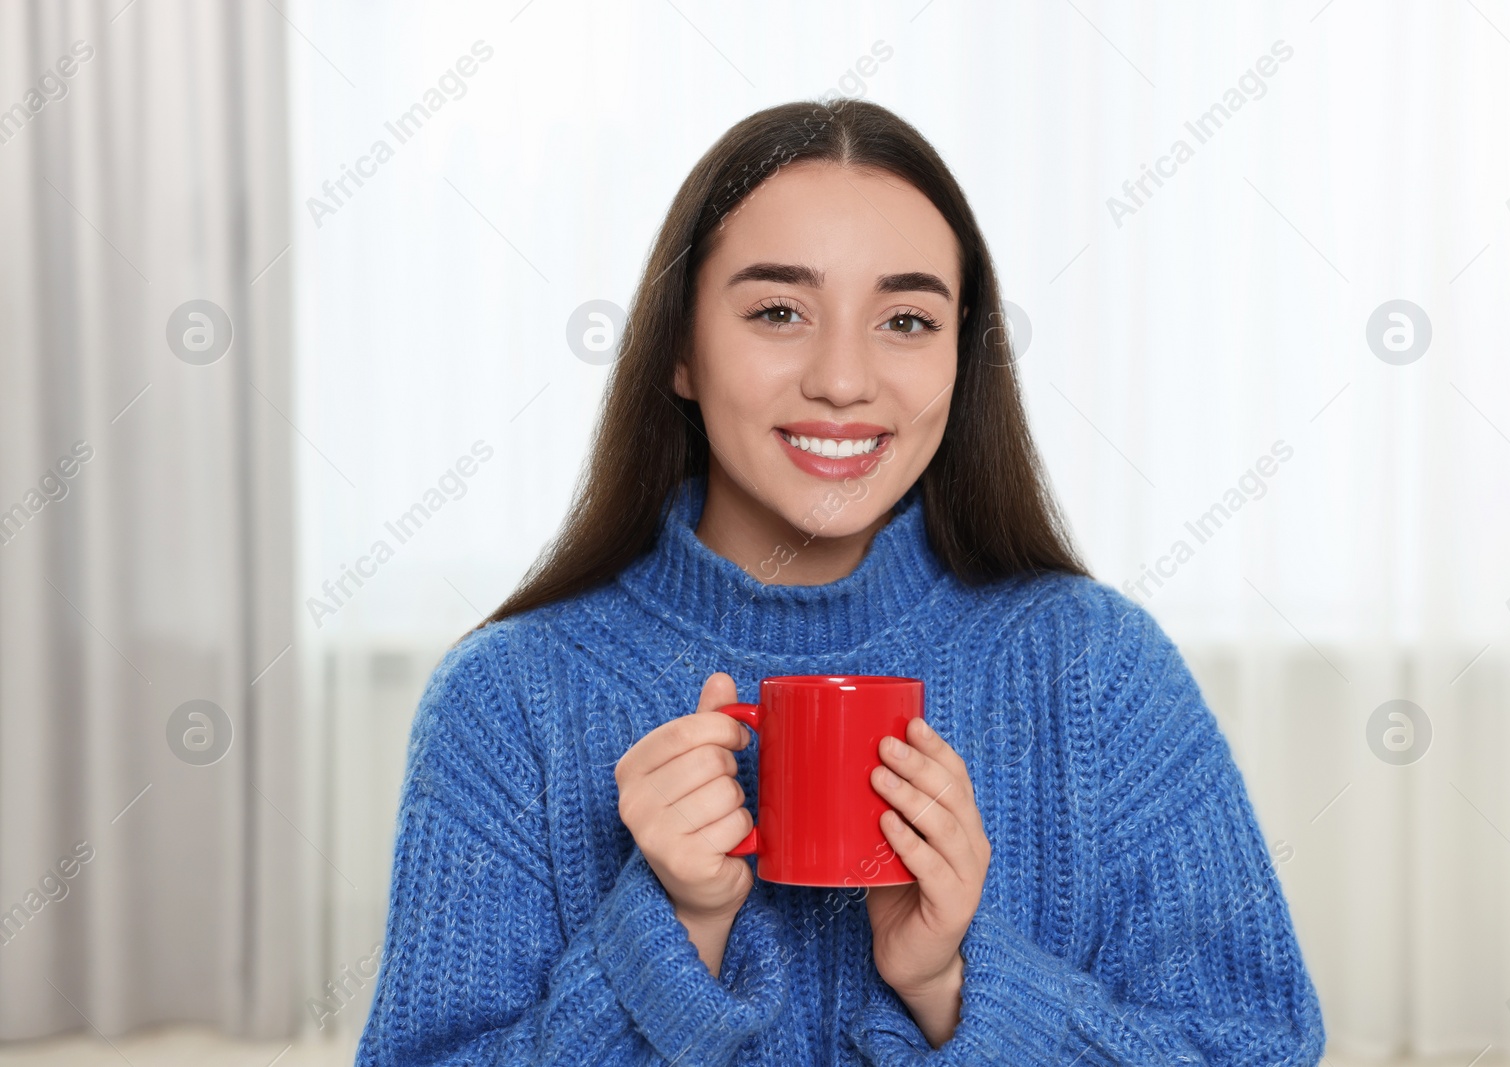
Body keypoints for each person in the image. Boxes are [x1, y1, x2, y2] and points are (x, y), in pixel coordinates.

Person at [354, 98, 1325, 1066]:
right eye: (779, 310)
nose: (844, 379)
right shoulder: (506, 700)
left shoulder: (1096, 671)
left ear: (961, 354)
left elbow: (1259, 1048)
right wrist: (671, 935)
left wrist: (954, 981)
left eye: (905, 319)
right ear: (682, 349)